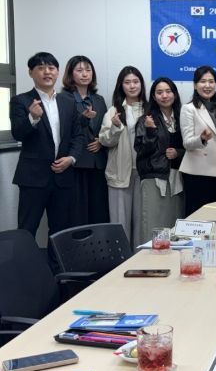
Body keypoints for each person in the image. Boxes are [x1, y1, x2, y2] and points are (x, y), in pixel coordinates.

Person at [10, 52, 83, 264]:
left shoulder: (68, 102)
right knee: (27, 229)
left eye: (51, 68)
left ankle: (57, 273)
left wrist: (71, 158)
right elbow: (17, 133)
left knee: (60, 230)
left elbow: (78, 136)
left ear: (57, 72)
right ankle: (24, 272)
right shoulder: (20, 101)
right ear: (31, 73)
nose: (47, 72)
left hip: (63, 176)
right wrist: (32, 117)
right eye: (41, 68)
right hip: (33, 178)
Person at [99, 66, 148, 248]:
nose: (132, 86)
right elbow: (105, 141)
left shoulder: (150, 109)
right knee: (120, 222)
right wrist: (116, 127)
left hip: (144, 173)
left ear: (141, 84)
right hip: (120, 173)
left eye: (135, 81)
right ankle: (121, 259)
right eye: (127, 82)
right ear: (121, 85)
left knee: (142, 222)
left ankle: (140, 259)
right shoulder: (114, 111)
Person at [60, 55, 109, 225]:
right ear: (70, 74)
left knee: (99, 210)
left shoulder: (99, 99)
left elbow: (104, 127)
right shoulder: (62, 98)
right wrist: (84, 118)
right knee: (77, 212)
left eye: (88, 70)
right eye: (79, 70)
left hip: (98, 162)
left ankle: (100, 242)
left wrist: (102, 141)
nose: (85, 74)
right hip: (77, 162)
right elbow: (64, 130)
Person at [135, 77, 185, 243]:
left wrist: (178, 153)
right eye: (159, 92)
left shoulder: (182, 118)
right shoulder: (146, 120)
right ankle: (148, 258)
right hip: (154, 178)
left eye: (168, 91)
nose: (164, 96)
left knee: (175, 225)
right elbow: (141, 150)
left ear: (174, 94)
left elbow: (190, 147)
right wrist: (150, 131)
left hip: (177, 178)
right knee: (153, 224)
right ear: (153, 97)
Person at [179, 66, 216, 215]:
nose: (207, 85)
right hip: (197, 173)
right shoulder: (188, 108)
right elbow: (187, 143)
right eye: (203, 81)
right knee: (197, 216)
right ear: (195, 85)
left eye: (211, 81)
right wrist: (201, 139)